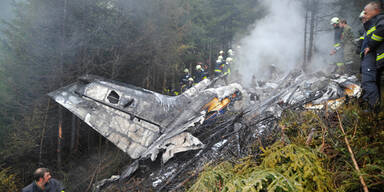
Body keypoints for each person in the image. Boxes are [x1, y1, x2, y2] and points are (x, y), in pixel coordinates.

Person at [361, 1, 384, 112]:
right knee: (372, 81)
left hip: (374, 57)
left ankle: (374, 109)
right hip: (373, 58)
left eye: (366, 13)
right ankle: (373, 107)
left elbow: (381, 31)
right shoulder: (372, 22)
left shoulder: (380, 19)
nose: (364, 15)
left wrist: (370, 46)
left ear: (375, 11)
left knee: (369, 81)